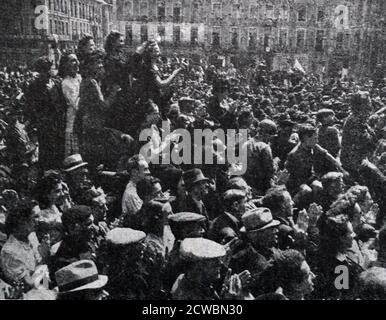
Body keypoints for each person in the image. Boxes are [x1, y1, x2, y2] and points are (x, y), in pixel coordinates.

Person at [75, 49, 134, 169]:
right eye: (97, 63)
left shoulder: (91, 81)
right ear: (89, 66)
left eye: (101, 62)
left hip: (91, 127)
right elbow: (103, 107)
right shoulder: (91, 83)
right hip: (94, 128)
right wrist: (113, 93)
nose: (101, 65)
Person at [25, 56, 66, 171]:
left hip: (59, 124)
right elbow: (30, 108)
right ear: (39, 71)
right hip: (45, 126)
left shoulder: (57, 83)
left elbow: (63, 103)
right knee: (46, 155)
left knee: (59, 153)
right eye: (43, 70)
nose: (47, 72)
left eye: (48, 69)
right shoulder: (34, 86)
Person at [1, 202, 50, 290]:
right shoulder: (10, 251)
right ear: (21, 223)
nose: (37, 221)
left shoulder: (31, 237)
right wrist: (44, 262)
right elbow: (29, 284)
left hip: (44, 287)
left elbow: (42, 273)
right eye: (33, 218)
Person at [49, 205, 102, 276]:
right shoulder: (65, 253)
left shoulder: (90, 240)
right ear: (73, 227)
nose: (95, 227)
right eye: (88, 223)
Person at [341, 91, 377, 182]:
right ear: (360, 105)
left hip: (359, 157)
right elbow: (365, 140)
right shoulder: (355, 120)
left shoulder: (359, 118)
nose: (370, 104)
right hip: (354, 161)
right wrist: (378, 130)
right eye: (368, 102)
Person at [103, 228, 147, 299]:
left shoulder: (132, 267)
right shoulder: (123, 275)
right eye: (138, 244)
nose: (143, 247)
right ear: (126, 252)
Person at [34, 170, 71, 246]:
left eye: (62, 190)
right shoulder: (39, 212)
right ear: (46, 193)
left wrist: (66, 198)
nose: (62, 194)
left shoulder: (55, 206)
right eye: (57, 191)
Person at [58, 52, 82, 157]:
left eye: (76, 60)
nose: (76, 63)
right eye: (72, 60)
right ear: (65, 65)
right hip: (73, 122)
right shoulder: (66, 83)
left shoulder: (79, 78)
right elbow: (76, 105)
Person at [243, 119, 276, 194]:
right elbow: (269, 171)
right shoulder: (264, 147)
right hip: (259, 187)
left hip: (246, 186)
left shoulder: (246, 143)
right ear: (267, 134)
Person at [121, 154, 150, 219]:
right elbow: (141, 219)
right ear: (134, 172)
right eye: (145, 169)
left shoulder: (134, 187)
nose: (149, 172)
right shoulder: (131, 194)